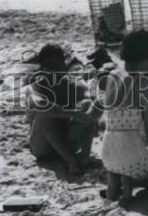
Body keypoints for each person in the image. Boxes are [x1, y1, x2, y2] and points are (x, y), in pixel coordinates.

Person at [97, 30, 148, 202]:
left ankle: (119, 187)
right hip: (130, 153)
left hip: (108, 151)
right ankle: (133, 187)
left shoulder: (112, 76)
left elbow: (109, 118)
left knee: (130, 151)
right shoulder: (141, 81)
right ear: (147, 56)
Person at [25, 43, 98, 176]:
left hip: (68, 140)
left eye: (57, 66)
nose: (54, 72)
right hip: (43, 147)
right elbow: (42, 105)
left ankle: (84, 157)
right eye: (51, 68)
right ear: (42, 68)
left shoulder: (73, 83)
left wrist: (84, 109)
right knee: (44, 113)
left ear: (64, 66)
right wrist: (73, 113)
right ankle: (71, 161)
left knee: (88, 105)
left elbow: (91, 102)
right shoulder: (34, 87)